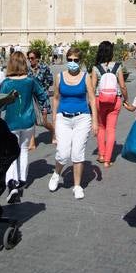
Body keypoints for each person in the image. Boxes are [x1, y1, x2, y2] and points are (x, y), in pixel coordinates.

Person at [0, 51, 50, 202]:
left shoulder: (6, 83)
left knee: (10, 152)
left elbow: (0, 104)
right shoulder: (30, 81)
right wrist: (44, 108)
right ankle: (22, 180)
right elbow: (43, 95)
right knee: (23, 150)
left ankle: (11, 182)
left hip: (11, 122)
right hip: (28, 121)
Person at [49, 47, 98, 199]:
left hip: (82, 118)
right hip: (63, 118)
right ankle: (56, 173)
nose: (72, 63)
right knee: (63, 153)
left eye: (76, 60)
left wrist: (95, 121)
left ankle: (77, 186)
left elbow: (91, 99)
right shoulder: (59, 76)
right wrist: (54, 120)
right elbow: (56, 98)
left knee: (77, 152)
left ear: (80, 61)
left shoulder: (85, 77)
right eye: (69, 60)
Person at [90, 40, 129, 167]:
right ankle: (107, 160)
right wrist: (126, 99)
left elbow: (92, 87)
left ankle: (101, 155)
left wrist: (90, 104)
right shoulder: (118, 66)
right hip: (115, 100)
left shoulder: (96, 68)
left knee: (101, 127)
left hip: (99, 100)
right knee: (111, 129)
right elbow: (122, 86)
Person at [26, 48, 55, 148]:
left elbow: (50, 80)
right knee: (32, 120)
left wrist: (44, 89)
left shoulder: (44, 68)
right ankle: (32, 143)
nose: (30, 60)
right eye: (29, 58)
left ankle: (53, 131)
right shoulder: (27, 70)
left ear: (37, 58)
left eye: (32, 58)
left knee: (43, 121)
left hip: (42, 97)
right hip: (31, 97)